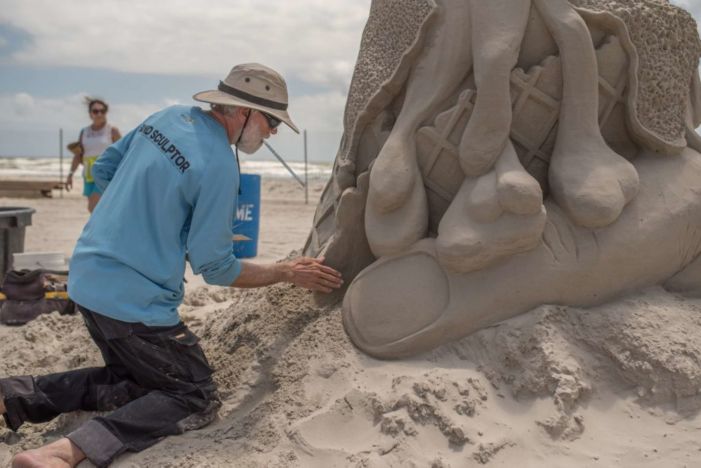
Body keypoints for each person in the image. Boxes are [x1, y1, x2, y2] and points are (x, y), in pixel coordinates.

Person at [1, 63, 343, 468]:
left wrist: (149, 223)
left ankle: (12, 396)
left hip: (87, 279)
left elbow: (107, 170)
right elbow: (216, 269)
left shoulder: (164, 117)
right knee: (194, 396)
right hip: (133, 304)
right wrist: (286, 272)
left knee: (133, 385)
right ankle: (63, 452)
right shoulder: (219, 164)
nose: (272, 133)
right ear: (243, 112)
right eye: (272, 123)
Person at [66, 97, 122, 213]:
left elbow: (123, 153)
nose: (99, 114)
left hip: (105, 172)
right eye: (95, 111)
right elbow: (78, 155)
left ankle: (98, 230)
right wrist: (70, 174)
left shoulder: (112, 131)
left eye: (102, 111)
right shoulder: (84, 132)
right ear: (90, 113)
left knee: (94, 205)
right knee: (93, 208)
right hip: (88, 173)